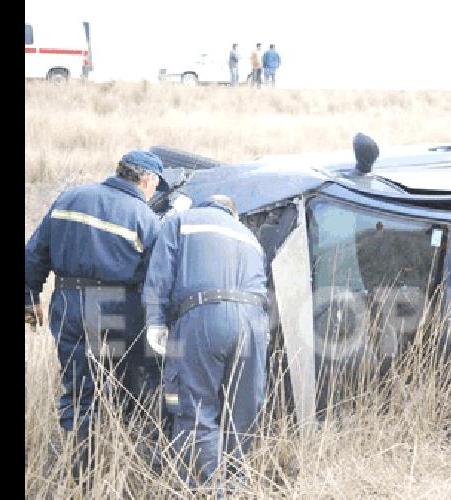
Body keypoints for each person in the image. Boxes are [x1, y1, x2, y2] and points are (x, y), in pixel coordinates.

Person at [25, 150, 168, 477]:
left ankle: (78, 470)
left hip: (67, 305)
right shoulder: (144, 218)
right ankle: (111, 468)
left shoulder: (69, 197)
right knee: (120, 387)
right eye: (155, 187)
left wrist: (29, 296)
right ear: (146, 181)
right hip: (114, 310)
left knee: (78, 388)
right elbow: (154, 281)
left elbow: (34, 254)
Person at [141, 194, 270, 490]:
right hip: (252, 322)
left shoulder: (182, 221)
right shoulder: (250, 237)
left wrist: (155, 322)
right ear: (233, 213)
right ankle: (236, 488)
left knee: (197, 411)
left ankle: (208, 492)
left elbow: (158, 277)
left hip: (202, 315)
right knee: (243, 414)